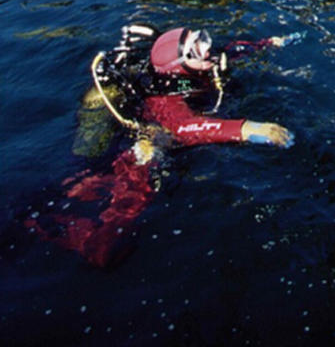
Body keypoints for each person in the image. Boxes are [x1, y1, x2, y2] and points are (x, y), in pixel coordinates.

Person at [26, 23, 296, 267]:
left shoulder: (197, 68)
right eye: (196, 47)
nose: (207, 47)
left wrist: (270, 42)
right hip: (146, 142)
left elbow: (232, 50)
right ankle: (72, 233)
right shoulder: (166, 101)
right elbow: (186, 128)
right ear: (180, 66)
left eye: (202, 38)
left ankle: (60, 197)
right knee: (129, 197)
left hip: (159, 122)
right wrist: (247, 129)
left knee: (95, 182)